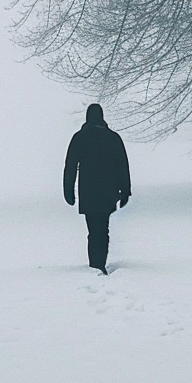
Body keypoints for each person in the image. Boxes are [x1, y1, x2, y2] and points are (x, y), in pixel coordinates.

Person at [62, 102, 132, 272]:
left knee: (93, 229)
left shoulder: (79, 137)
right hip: (109, 191)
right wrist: (125, 191)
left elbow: (70, 165)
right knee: (103, 228)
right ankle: (99, 263)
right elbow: (122, 165)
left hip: (88, 192)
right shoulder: (112, 137)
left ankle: (95, 264)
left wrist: (68, 190)